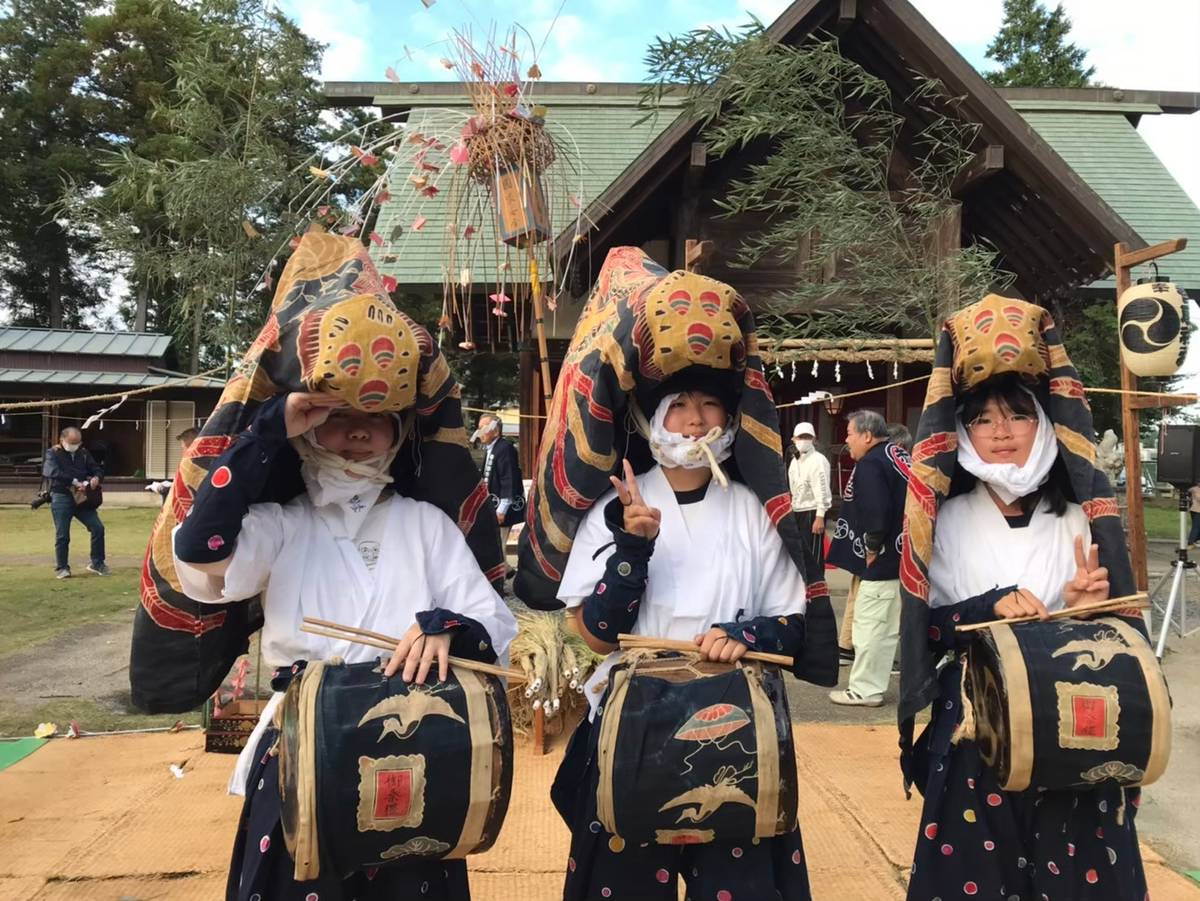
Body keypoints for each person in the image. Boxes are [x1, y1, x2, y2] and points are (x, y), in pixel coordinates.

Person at [131, 231, 516, 901]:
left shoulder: (426, 525)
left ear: (400, 430)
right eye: (338, 415)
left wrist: (447, 627)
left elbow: (494, 624)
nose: (358, 430)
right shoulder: (278, 525)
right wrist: (266, 430)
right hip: (304, 741)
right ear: (307, 427)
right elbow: (199, 551)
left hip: (417, 738)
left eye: (378, 416)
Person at [515, 247, 836, 901]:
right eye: (678, 403)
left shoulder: (754, 510)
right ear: (648, 416)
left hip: (736, 719)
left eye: (710, 403)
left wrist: (745, 636)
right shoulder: (611, 509)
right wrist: (632, 549)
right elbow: (594, 634)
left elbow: (793, 624)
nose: (695, 418)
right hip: (633, 720)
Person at [898, 295, 1149, 901]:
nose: (1002, 432)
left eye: (1018, 416)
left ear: (1045, 423)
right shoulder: (941, 519)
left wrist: (1083, 607)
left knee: (1078, 871)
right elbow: (925, 629)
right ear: (962, 432)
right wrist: (990, 605)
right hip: (976, 720)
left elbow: (1115, 636)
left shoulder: (1081, 518)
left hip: (1074, 718)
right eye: (983, 420)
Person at [827, 410, 910, 707]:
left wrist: (872, 548)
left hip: (886, 558)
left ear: (867, 435)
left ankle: (865, 689)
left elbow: (877, 510)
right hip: (906, 555)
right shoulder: (897, 455)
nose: (846, 439)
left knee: (872, 624)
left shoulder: (872, 463)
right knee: (886, 624)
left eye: (850, 433)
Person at [42, 425, 107, 579]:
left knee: (98, 527)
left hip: (81, 497)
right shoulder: (53, 453)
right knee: (62, 534)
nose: (74, 446)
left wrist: (96, 478)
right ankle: (62, 568)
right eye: (72, 443)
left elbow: (96, 469)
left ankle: (97, 563)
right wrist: (74, 481)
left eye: (77, 443)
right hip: (62, 495)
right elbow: (51, 471)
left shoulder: (83, 453)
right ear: (62, 439)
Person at [788, 421, 832, 572]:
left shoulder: (818, 460)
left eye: (807, 437)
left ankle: (815, 584)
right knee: (799, 553)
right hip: (797, 509)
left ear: (813, 439)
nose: (804, 440)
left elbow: (823, 489)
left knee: (813, 555)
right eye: (800, 437)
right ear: (794, 439)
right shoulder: (794, 461)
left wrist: (820, 516)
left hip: (812, 511)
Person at [474, 413, 524, 528]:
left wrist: (502, 509)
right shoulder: (492, 448)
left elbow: (508, 479)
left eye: (483, 428)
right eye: (479, 429)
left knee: (501, 538)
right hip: (492, 506)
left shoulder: (505, 449)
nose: (480, 432)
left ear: (496, 431)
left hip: (502, 510)